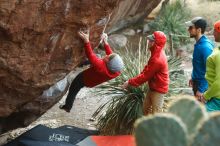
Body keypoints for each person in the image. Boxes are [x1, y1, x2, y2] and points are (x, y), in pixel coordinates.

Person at [60, 30, 124, 112]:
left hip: (84, 79)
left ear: (108, 62)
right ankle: (81, 64)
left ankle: (67, 106)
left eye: (107, 57)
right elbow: (111, 55)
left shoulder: (100, 66)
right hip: (92, 80)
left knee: (73, 89)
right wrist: (106, 42)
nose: (107, 55)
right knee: (97, 57)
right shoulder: (116, 71)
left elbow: (90, 54)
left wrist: (86, 41)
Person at [122, 31, 169, 115]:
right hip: (153, 87)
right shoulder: (156, 53)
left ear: (156, 43)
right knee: (145, 109)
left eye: (151, 41)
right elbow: (147, 69)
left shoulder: (157, 59)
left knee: (156, 115)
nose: (149, 42)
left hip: (158, 90)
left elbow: (145, 76)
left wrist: (129, 82)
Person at [185, 17, 214, 100]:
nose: (188, 30)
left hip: (203, 88)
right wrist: (193, 77)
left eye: (191, 27)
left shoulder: (205, 47)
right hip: (198, 84)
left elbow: (210, 70)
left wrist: (201, 89)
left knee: (203, 112)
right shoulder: (199, 44)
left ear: (199, 30)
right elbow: (199, 65)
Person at [200, 20, 220, 111]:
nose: (213, 33)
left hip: (217, 100)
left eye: (215, 30)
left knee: (203, 122)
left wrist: (206, 95)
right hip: (215, 96)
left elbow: (219, 81)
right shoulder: (217, 50)